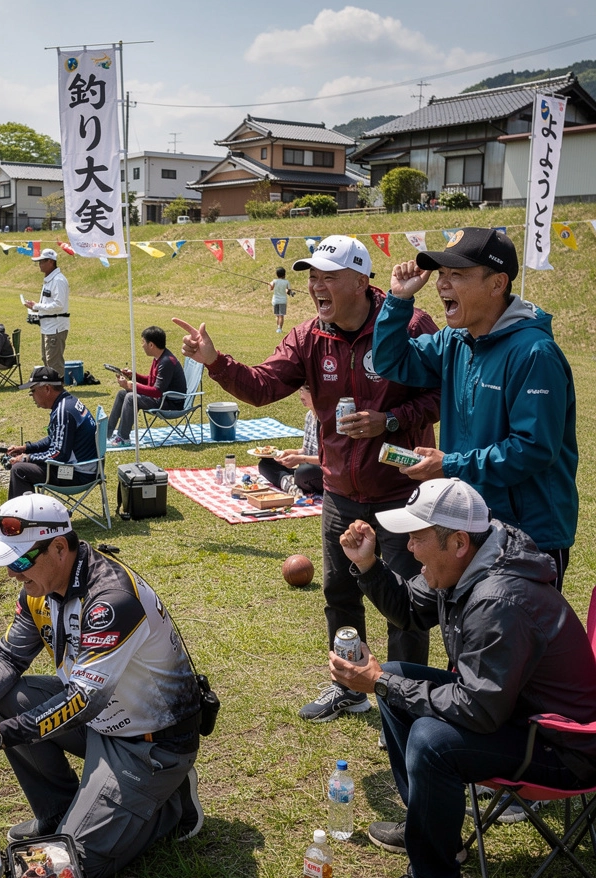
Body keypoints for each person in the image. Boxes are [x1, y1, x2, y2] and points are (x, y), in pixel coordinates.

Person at [173, 235, 441, 723]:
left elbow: (442, 393)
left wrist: (392, 421)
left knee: (404, 605)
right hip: (341, 491)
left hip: (404, 491)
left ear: (361, 281)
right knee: (340, 594)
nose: (316, 286)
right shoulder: (308, 337)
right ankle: (349, 686)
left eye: (328, 276)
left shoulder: (409, 322)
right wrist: (214, 360)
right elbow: (262, 387)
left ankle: (403, 705)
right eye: (312, 277)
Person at [329, 478, 596, 878]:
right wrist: (369, 564)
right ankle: (431, 832)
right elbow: (411, 611)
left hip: (562, 747)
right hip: (518, 716)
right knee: (395, 681)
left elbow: (477, 710)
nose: (409, 547)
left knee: (431, 738)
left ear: (456, 541)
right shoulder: (471, 561)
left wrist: (378, 682)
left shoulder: (499, 599)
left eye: (416, 536)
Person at [0, 493, 204, 878]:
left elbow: (82, 701)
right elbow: (8, 656)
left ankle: (171, 807)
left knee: (63, 870)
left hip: (150, 744)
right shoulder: (39, 589)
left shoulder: (111, 601)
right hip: (103, 723)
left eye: (19, 562)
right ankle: (59, 815)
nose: (12, 575)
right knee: (4, 699)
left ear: (58, 548)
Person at [373, 227, 578, 590]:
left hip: (527, 534)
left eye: (458, 275)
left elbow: (532, 449)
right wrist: (399, 301)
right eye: (441, 275)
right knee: (469, 633)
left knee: (514, 640)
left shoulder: (534, 354)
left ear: (498, 283)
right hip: (467, 521)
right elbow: (391, 361)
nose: (442, 285)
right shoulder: (456, 341)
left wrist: (448, 464)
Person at [4, 366, 98, 500]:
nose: (32, 396)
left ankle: (21, 519)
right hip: (88, 469)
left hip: (77, 474)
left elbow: (59, 454)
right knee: (24, 465)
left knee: (19, 470)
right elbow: (55, 439)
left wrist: (27, 458)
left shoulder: (63, 411)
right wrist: (26, 448)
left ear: (47, 388)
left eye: (33, 391)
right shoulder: (69, 402)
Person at [108, 325, 187, 447]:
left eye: (143, 342)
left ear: (151, 345)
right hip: (161, 399)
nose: (142, 345)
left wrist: (131, 386)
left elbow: (156, 391)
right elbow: (151, 382)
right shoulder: (159, 357)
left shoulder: (166, 362)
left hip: (170, 403)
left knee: (130, 397)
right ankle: (107, 433)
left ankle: (123, 438)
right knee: (122, 394)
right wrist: (133, 376)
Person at [257, 384, 323, 496]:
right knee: (265, 464)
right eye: (300, 391)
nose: (301, 396)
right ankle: (288, 483)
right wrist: (290, 453)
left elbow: (329, 460)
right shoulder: (309, 416)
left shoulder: (327, 420)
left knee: (304, 472)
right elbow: (306, 450)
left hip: (323, 472)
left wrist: (300, 459)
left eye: (305, 391)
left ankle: (288, 481)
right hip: (307, 466)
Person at [24, 247, 70, 378]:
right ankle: (52, 387)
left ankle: (58, 389)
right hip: (47, 326)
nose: (39, 264)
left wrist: (37, 306)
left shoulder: (58, 280)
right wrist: (35, 308)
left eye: (42, 261)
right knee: (46, 359)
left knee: (54, 362)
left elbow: (59, 304)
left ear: (51, 262)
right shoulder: (50, 279)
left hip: (56, 327)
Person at [269, 266, 294, 333]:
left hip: (275, 300)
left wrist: (271, 285)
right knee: (281, 315)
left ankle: (278, 328)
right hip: (283, 300)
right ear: (284, 274)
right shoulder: (286, 282)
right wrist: (291, 293)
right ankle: (280, 328)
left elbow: (271, 289)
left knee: (277, 315)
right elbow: (288, 291)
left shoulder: (274, 281)